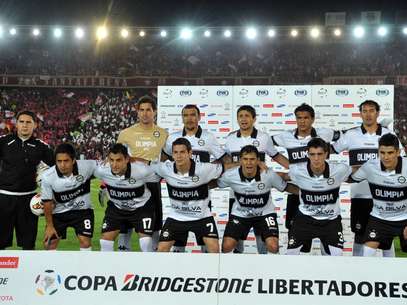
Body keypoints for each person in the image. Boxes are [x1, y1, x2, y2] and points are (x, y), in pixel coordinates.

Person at [332, 100, 397, 256]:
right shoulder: (351, 134)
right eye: (364, 111)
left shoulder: (389, 135)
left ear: (378, 113)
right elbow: (329, 152)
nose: (368, 114)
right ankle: (357, 274)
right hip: (359, 195)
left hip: (384, 195)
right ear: (360, 113)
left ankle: (392, 275)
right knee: (360, 237)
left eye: (372, 110)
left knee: (386, 238)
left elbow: (398, 162)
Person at [224, 105, 289, 254]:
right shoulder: (230, 138)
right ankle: (237, 260)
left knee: (262, 233)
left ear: (254, 119)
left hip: (258, 190)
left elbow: (276, 156)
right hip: (236, 193)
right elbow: (225, 160)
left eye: (247, 116)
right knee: (236, 236)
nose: (243, 119)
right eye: (240, 116)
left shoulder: (263, 137)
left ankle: (263, 262)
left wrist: (295, 169)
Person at [163, 104, 226, 252]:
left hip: (201, 197)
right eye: (186, 115)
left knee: (206, 244)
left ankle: (206, 273)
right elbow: (164, 158)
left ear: (199, 117)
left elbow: (224, 159)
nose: (189, 118)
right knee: (178, 245)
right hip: (179, 197)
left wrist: (209, 176)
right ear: (182, 118)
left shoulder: (208, 138)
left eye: (192, 115)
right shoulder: (172, 138)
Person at [272, 103, 341, 231]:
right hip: (297, 190)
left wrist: (334, 151)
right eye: (299, 118)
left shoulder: (325, 133)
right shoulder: (286, 136)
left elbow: (349, 136)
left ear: (313, 119)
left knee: (327, 231)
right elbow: (264, 144)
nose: (302, 121)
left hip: (323, 190)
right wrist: (289, 166)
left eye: (306, 118)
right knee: (294, 232)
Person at [218, 145, 298, 254]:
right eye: (245, 159)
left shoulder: (268, 174)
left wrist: (308, 191)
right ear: (240, 160)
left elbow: (286, 187)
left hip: (264, 214)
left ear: (258, 160)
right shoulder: (230, 175)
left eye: (252, 159)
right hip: (240, 214)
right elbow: (215, 183)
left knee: (273, 246)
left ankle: (268, 269)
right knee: (226, 246)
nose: (249, 163)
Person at [150, 138, 224, 253]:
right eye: (175, 152)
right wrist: (131, 159)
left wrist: (245, 164)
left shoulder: (204, 169)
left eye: (182, 152)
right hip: (177, 217)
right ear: (172, 154)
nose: (179, 156)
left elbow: (226, 167)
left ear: (190, 153)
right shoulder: (166, 168)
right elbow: (146, 164)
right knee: (162, 249)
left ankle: (210, 272)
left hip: (201, 217)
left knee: (214, 249)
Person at [117, 95, 168, 251]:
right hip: (129, 184)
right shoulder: (125, 133)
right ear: (137, 112)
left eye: (148, 110)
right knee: (125, 225)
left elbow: (167, 160)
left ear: (155, 112)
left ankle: (153, 261)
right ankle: (123, 256)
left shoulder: (163, 134)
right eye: (142, 110)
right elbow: (116, 159)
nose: (145, 113)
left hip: (153, 184)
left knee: (154, 225)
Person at [286, 138, 351, 256]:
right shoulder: (297, 171)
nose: (316, 158)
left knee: (337, 257)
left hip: (331, 220)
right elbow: (283, 177)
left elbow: (357, 171)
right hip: (305, 219)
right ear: (308, 154)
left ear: (326, 154)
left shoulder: (340, 169)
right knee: (290, 254)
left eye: (320, 154)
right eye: (312, 154)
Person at [0, 110, 54, 250]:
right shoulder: (4, 142)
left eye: (28, 122)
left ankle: (27, 272)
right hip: (4, 198)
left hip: (29, 200)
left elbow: (57, 167)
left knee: (28, 244)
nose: (25, 125)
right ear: (16, 124)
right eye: (21, 122)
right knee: (0, 243)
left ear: (35, 125)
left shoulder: (40, 146)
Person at [351, 134, 407, 256]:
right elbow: (353, 177)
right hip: (379, 218)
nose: (386, 157)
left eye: (390, 153)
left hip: (404, 218)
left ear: (398, 152)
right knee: (367, 254)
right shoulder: (370, 166)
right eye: (382, 153)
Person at [96, 144, 159, 252]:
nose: (114, 164)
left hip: (141, 208)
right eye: (111, 160)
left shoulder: (142, 170)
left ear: (127, 159)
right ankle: (107, 269)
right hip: (116, 208)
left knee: (146, 242)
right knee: (105, 241)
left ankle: (149, 268)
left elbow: (162, 171)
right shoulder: (102, 170)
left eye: (119, 160)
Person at [41, 143, 95, 251]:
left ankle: (85, 267)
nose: (62, 165)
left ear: (74, 160)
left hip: (82, 211)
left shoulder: (87, 166)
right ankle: (51, 268)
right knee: (49, 244)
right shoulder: (48, 176)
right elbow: (47, 202)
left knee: (85, 242)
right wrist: (50, 226)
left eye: (66, 161)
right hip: (59, 213)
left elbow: (105, 170)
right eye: (59, 161)